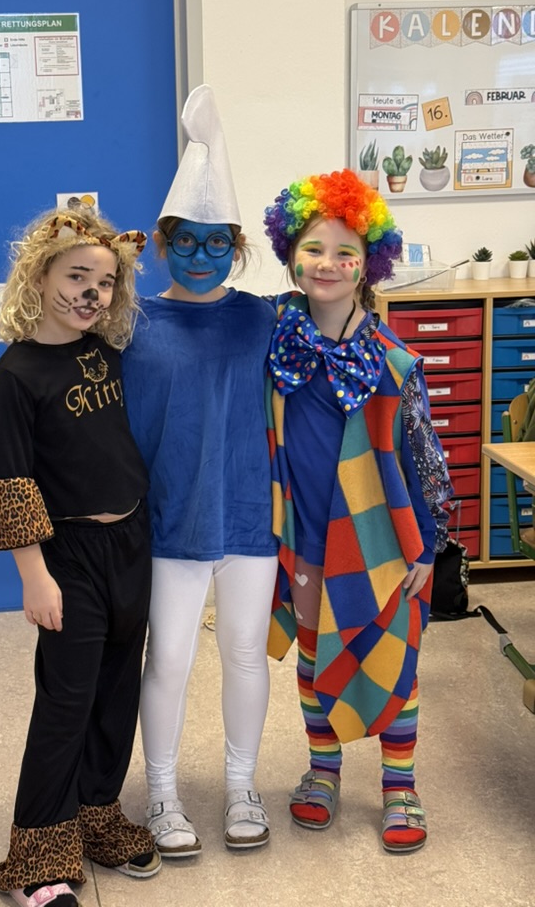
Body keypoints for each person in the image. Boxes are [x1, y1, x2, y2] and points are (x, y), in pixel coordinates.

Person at [262, 168, 452, 853]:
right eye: (313, 248)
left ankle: (400, 786)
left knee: (393, 661)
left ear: (369, 264)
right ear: (289, 253)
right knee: (317, 659)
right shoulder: (272, 338)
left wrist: (426, 544)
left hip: (382, 541)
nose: (328, 263)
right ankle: (323, 771)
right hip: (305, 538)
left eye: (346, 252)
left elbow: (425, 458)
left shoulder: (394, 361)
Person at [0, 207, 161, 907]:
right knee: (67, 699)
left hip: (131, 545)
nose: (92, 293)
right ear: (38, 276)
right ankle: (37, 855)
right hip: (69, 557)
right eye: (76, 276)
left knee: (118, 689)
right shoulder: (13, 376)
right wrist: (36, 578)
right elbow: (12, 486)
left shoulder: (107, 355)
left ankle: (97, 814)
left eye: (106, 282)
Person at [122, 85, 278, 857]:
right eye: (187, 240)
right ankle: (161, 794)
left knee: (245, 650)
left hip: (248, 514)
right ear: (164, 243)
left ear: (237, 248)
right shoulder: (132, 324)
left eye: (219, 243)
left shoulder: (261, 317)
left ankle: (243, 785)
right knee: (172, 657)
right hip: (170, 517)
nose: (203, 254)